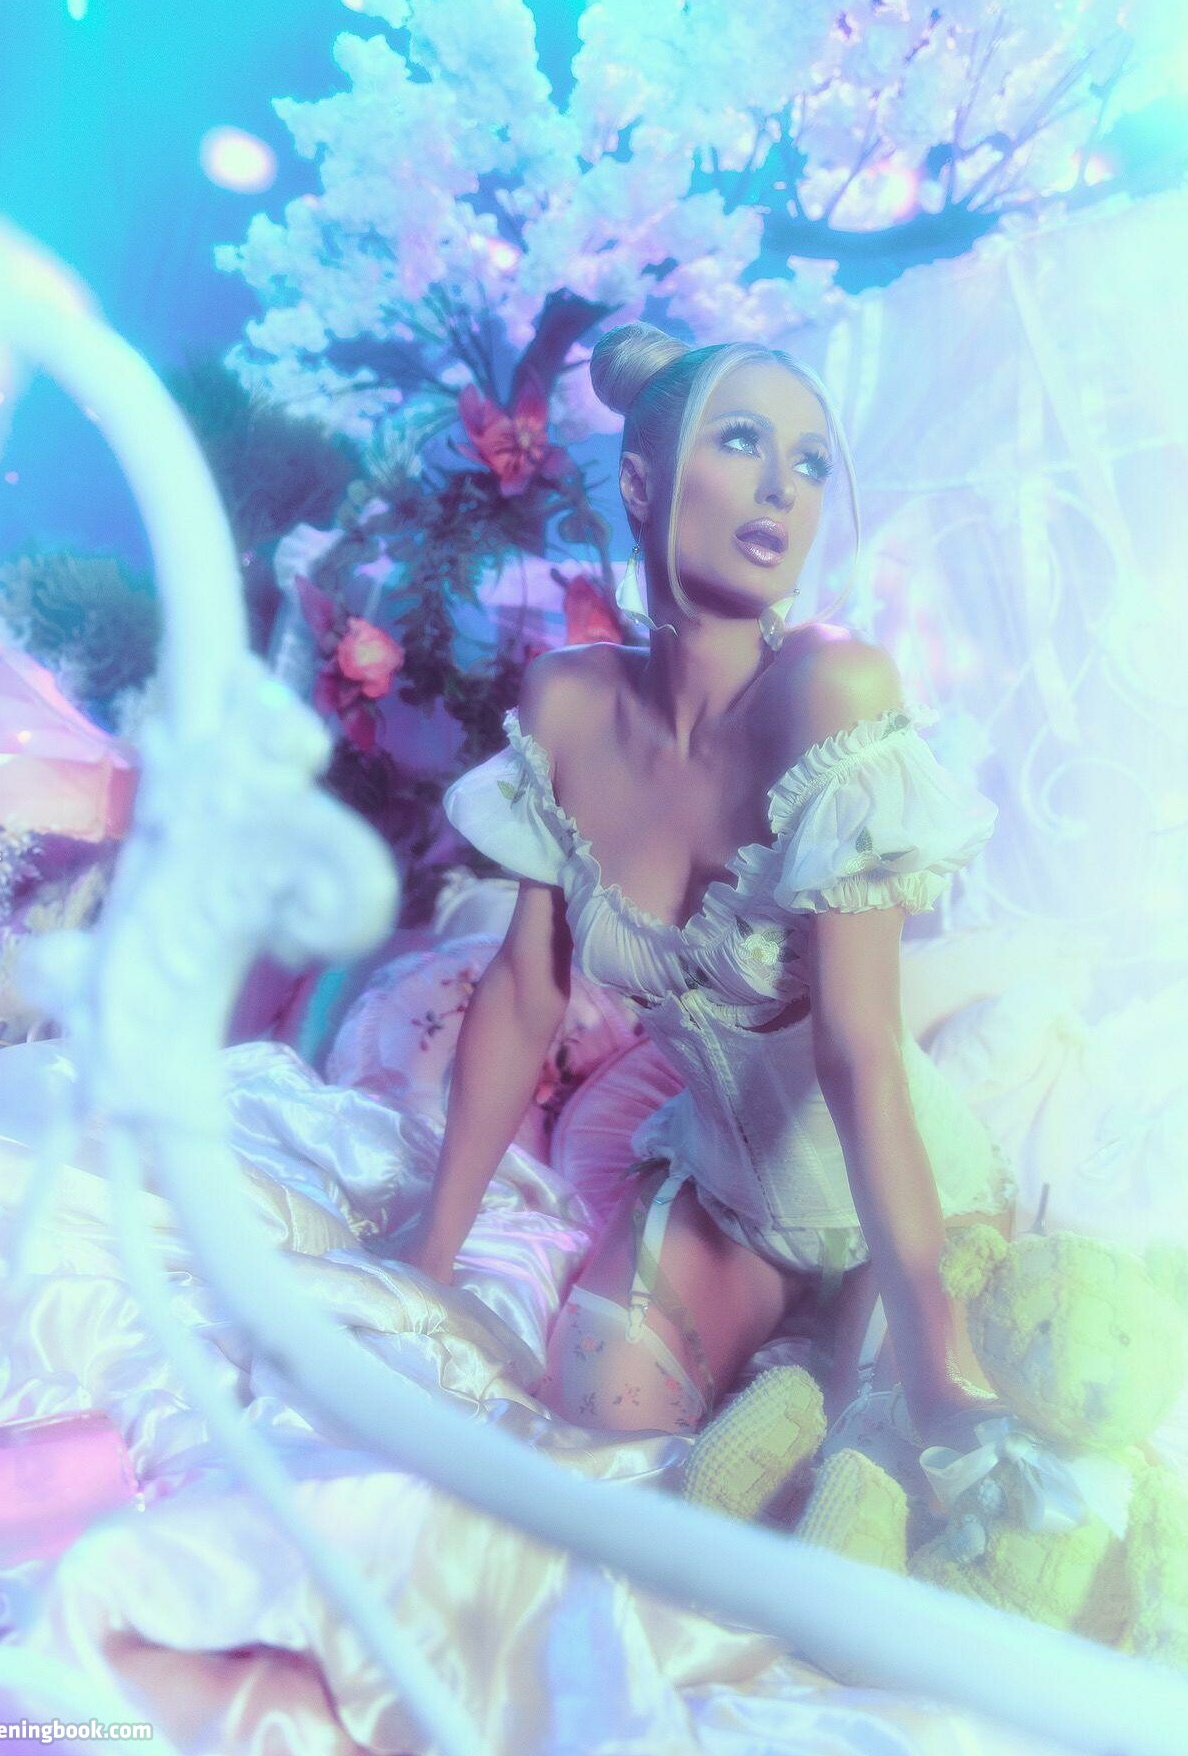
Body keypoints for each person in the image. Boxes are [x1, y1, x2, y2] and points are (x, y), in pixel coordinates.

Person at [406, 323, 1016, 1530]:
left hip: (904, 1206)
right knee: (601, 1445)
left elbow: (857, 1047)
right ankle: (795, 1366)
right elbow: (525, 996)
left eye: (810, 462)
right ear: (641, 484)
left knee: (880, 1496)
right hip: (727, 1206)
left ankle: (840, 1366)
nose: (784, 488)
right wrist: (430, 1254)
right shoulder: (568, 703)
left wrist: (939, 1357)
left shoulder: (832, 693)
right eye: (743, 444)